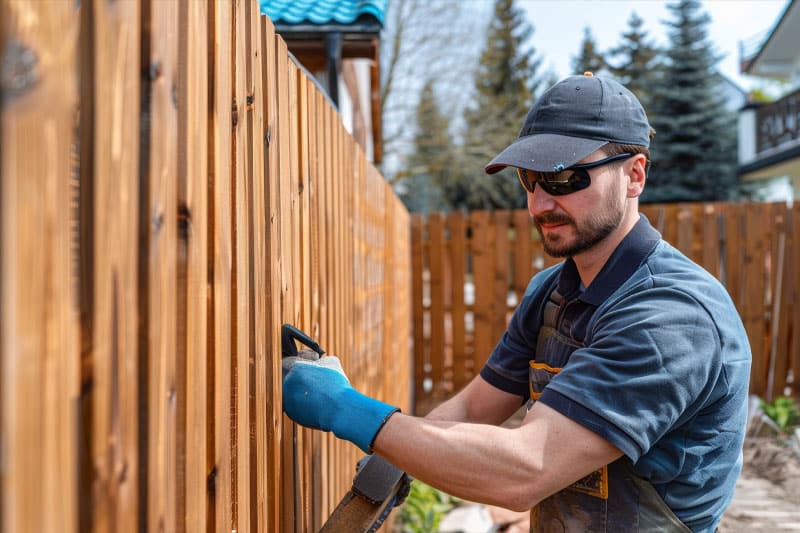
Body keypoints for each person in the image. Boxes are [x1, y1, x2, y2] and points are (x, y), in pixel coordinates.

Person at [282, 73, 751, 532]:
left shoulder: (671, 317)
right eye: (530, 179)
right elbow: (470, 410)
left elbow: (526, 470)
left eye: (566, 177)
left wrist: (344, 408)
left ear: (634, 175)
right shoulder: (552, 292)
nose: (541, 203)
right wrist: (396, 455)